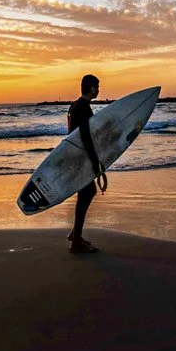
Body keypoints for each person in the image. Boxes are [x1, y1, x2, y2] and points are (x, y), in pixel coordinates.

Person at [66, 74, 107, 254]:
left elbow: (71, 134)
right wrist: (96, 162)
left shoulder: (74, 106)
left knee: (87, 192)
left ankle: (75, 235)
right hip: (81, 158)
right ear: (91, 88)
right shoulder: (83, 108)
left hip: (75, 157)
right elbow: (85, 137)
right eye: (97, 86)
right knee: (87, 192)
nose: (98, 90)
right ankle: (76, 242)